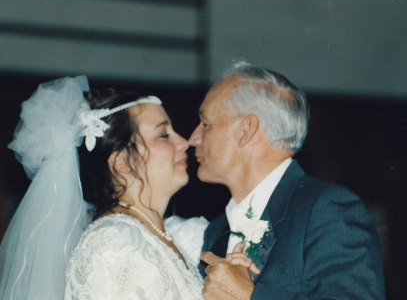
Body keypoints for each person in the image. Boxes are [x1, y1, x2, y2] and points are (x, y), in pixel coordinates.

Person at [0, 76, 256, 300]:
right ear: (123, 162)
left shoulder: (172, 235)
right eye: (163, 135)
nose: (184, 142)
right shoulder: (114, 242)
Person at [189, 61, 386, 299]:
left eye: (206, 124)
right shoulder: (216, 231)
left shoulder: (326, 210)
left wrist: (250, 295)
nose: (193, 138)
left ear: (246, 130)